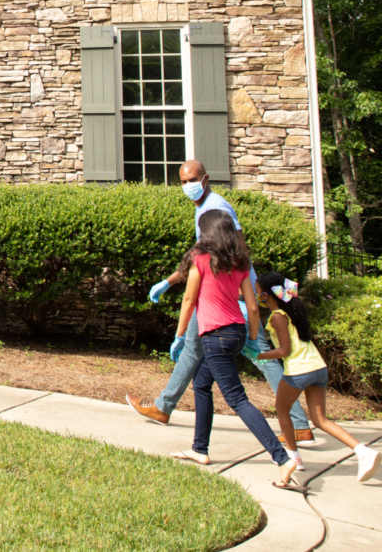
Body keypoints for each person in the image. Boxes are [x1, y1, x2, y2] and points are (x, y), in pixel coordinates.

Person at [125, 160, 312, 444]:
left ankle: (298, 424)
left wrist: (239, 294)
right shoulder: (204, 207)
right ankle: (164, 407)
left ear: (206, 177)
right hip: (226, 294)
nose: (188, 185)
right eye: (184, 181)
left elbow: (236, 253)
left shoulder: (215, 208)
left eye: (193, 179)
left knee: (257, 355)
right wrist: (169, 281)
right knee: (195, 349)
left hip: (229, 295)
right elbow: (201, 258)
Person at [169, 209, 297, 484]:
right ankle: (199, 449)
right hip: (236, 332)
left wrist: (179, 336)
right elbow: (252, 306)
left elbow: (189, 300)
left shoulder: (200, 259)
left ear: (207, 232)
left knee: (237, 399)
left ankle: (282, 458)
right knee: (201, 384)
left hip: (215, 338)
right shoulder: (240, 262)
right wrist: (251, 338)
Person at [252, 272, 382, 483]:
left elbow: (284, 351)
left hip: (299, 371)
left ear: (268, 296)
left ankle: (294, 459)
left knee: (283, 411)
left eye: (259, 295)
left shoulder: (277, 317)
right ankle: (362, 452)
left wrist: (257, 355)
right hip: (318, 368)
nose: (258, 298)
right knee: (320, 419)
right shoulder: (292, 314)